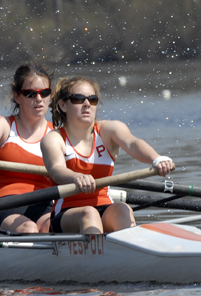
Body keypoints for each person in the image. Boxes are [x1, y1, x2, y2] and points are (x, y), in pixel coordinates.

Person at [40, 75, 174, 235]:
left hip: (104, 207)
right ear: (63, 105)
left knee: (122, 209)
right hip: (67, 213)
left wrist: (156, 158)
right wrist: (76, 177)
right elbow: (56, 169)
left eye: (92, 99)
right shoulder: (53, 138)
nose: (87, 104)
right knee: (89, 213)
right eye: (78, 99)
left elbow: (132, 144)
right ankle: (97, 255)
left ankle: (131, 254)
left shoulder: (109, 130)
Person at [0, 64, 54, 234]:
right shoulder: (2, 124)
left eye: (44, 93)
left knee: (51, 228)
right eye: (30, 94)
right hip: (3, 205)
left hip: (44, 204)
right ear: (17, 96)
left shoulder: (57, 133)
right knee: (29, 228)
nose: (39, 99)